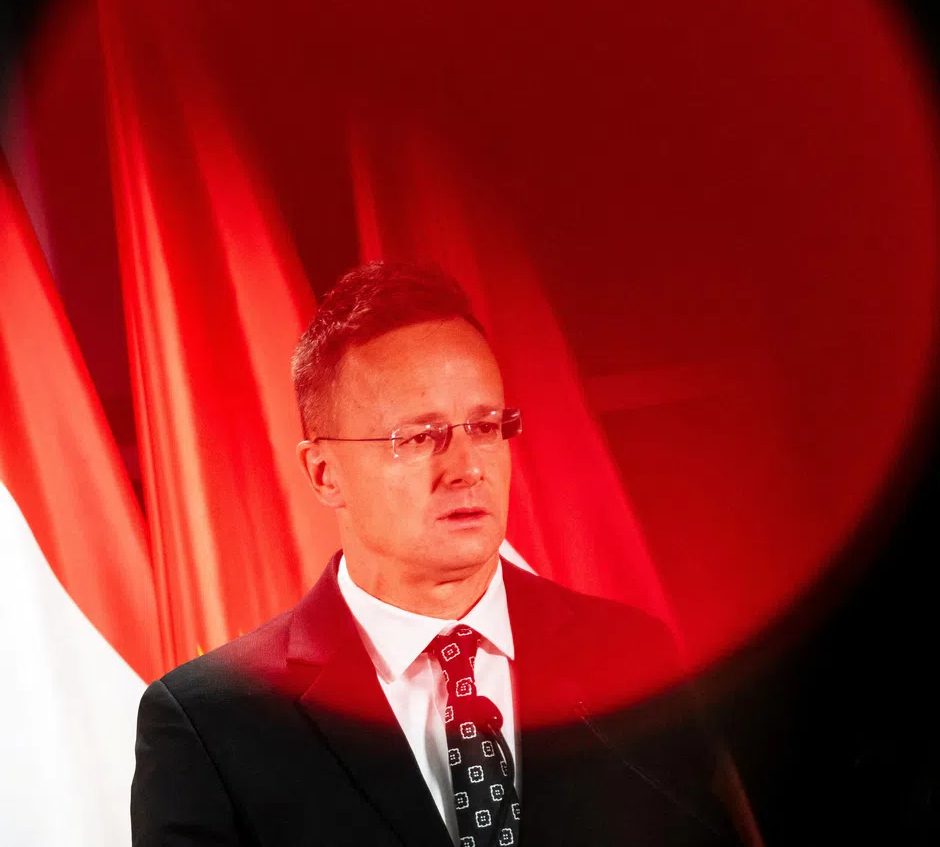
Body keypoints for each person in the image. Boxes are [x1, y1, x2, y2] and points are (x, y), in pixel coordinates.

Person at [131, 261, 739, 845]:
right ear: (324, 473)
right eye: (420, 437)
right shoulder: (211, 722)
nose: (468, 469)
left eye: (485, 427)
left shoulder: (631, 658)